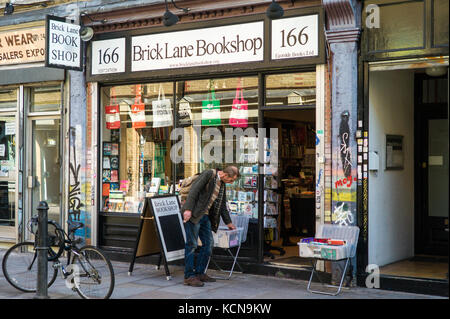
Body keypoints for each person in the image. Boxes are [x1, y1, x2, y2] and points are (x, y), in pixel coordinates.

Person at [181, 166, 239, 287]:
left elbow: (222, 204)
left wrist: (228, 222)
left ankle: (200, 273)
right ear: (225, 175)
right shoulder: (209, 174)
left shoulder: (222, 184)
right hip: (195, 214)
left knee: (208, 244)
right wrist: (188, 210)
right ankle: (189, 276)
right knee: (191, 245)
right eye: (232, 180)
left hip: (205, 217)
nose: (232, 182)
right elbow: (194, 191)